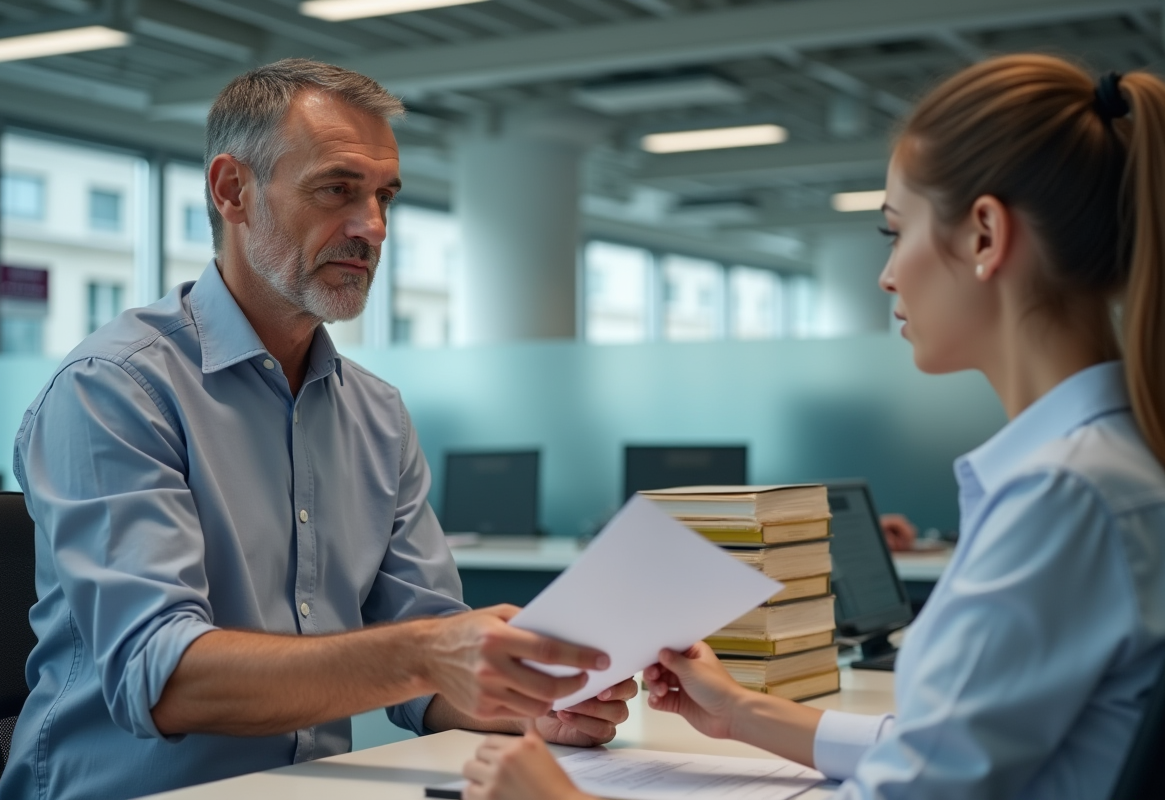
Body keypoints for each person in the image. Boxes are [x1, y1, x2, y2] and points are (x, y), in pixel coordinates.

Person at [460, 54, 1165, 800]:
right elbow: (943, 749)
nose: (887, 275)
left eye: (896, 231)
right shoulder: (1106, 466)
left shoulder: (1062, 496)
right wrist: (742, 711)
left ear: (986, 236)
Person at [0, 59, 634, 800]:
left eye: (384, 197)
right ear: (232, 190)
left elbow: (422, 660)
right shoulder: (114, 389)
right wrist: (433, 653)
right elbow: (162, 677)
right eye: (337, 189)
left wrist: (521, 705)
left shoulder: (377, 414)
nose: (372, 228)